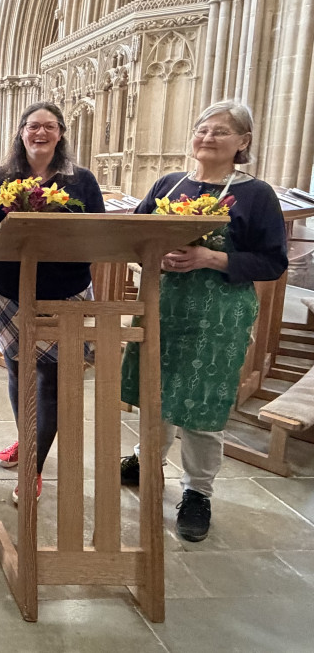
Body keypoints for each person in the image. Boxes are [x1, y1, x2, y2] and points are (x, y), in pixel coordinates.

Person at [118, 100, 287, 542]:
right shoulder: (170, 184)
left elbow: (273, 262)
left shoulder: (256, 194)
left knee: (201, 404)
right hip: (163, 304)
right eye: (202, 129)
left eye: (221, 131)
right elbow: (135, 236)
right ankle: (146, 458)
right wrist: (150, 257)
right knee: (155, 390)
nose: (208, 137)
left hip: (218, 315)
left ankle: (198, 491)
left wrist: (210, 257)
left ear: (243, 142)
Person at [0, 101, 105, 503]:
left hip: (66, 291)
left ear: (61, 133)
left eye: (48, 126)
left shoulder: (80, 181)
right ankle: (29, 441)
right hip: (12, 292)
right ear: (21, 132)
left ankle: (35, 465)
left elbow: (97, 235)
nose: (39, 133)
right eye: (32, 126)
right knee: (18, 374)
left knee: (53, 382)